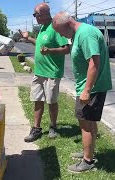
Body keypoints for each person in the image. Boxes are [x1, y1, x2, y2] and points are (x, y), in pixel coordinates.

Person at [52, 12, 112, 172]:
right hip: (89, 86)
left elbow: (94, 63)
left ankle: (88, 161)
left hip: (92, 88)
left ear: (67, 24)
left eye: (60, 31)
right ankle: (89, 152)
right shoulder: (82, 33)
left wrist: (86, 90)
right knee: (89, 122)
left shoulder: (85, 34)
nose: (60, 35)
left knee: (85, 123)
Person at [19, 3, 70, 142]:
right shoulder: (42, 28)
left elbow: (67, 48)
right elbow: (40, 44)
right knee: (37, 99)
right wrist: (27, 38)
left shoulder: (55, 28)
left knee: (51, 101)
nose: (35, 17)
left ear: (46, 14)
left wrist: (50, 51)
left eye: (37, 15)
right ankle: (36, 129)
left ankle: (53, 126)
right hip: (39, 72)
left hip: (52, 73)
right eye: (34, 15)